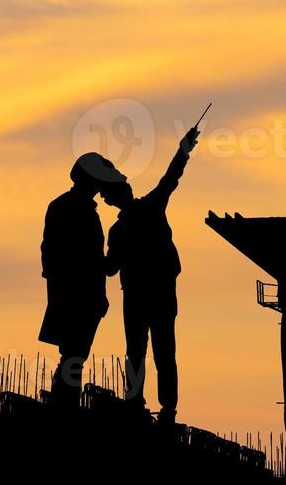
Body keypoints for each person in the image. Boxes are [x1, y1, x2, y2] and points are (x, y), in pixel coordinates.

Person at [101, 128, 199, 421]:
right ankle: (162, 408)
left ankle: (144, 405)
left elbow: (108, 268)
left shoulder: (122, 227)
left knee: (144, 352)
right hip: (153, 293)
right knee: (159, 353)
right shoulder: (145, 211)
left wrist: (184, 150)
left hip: (142, 295)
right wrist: (183, 149)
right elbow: (171, 178)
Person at [39, 153, 122, 408]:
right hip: (76, 296)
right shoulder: (75, 210)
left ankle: (64, 404)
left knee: (72, 355)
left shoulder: (65, 206)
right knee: (73, 355)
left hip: (75, 294)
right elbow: (80, 259)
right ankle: (64, 406)